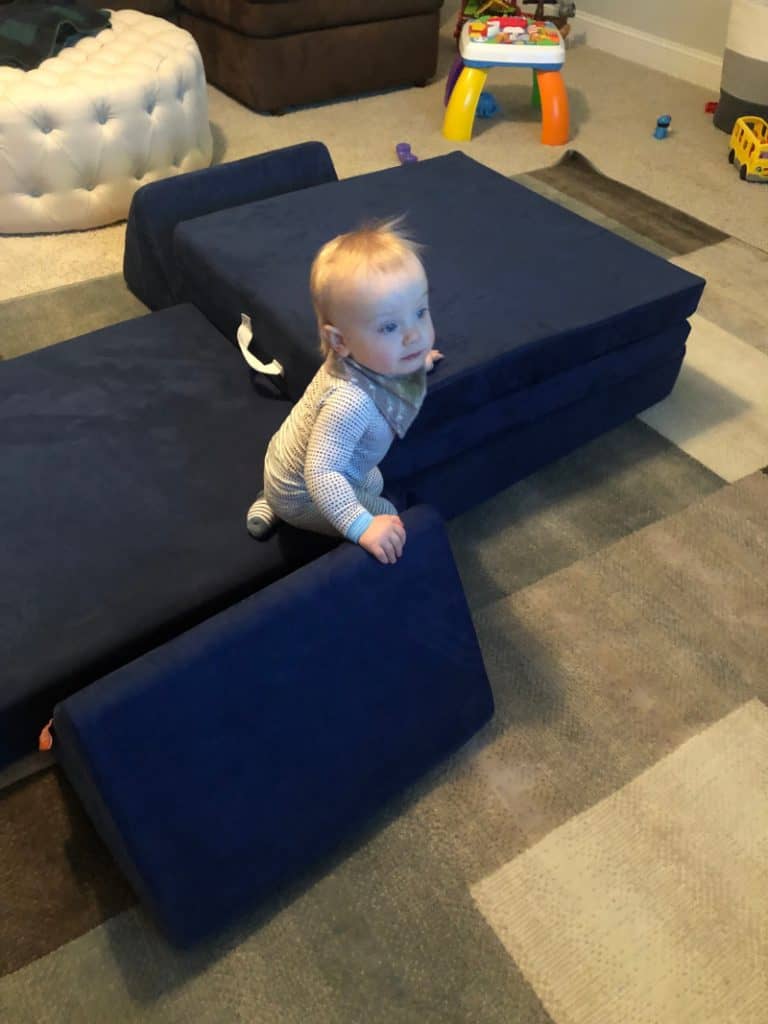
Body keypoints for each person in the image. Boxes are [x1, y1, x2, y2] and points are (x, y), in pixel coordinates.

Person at [246, 217, 442, 565]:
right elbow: (321, 473)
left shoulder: (369, 357)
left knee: (374, 481)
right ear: (341, 341)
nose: (413, 336)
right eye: (390, 326)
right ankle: (278, 505)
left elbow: (395, 358)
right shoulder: (350, 401)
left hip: (305, 461)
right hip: (303, 491)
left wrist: (413, 361)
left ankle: (273, 498)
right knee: (385, 511)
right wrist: (362, 526)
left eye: (420, 312)